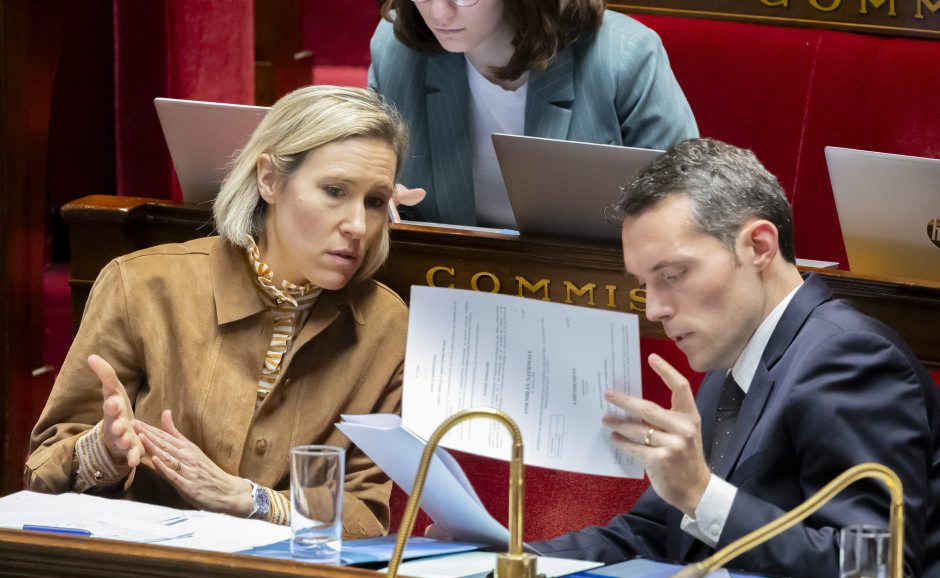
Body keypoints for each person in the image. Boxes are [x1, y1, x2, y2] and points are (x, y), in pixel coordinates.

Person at [531, 138, 940, 578]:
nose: (654, 308)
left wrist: (701, 493)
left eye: (673, 275)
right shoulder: (734, 360)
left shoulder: (850, 358)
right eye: (644, 285)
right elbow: (652, 534)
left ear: (759, 246)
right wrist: (509, 560)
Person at [25, 86, 410, 537]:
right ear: (269, 179)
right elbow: (41, 475)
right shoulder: (142, 285)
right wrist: (104, 450)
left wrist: (251, 500)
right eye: (334, 191)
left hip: (284, 576)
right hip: (145, 565)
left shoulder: (386, 324)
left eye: (375, 201)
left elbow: (366, 517)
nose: (358, 226)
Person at [369, 0, 697, 227]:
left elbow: (685, 201)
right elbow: (364, 174)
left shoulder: (625, 55)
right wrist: (373, 196)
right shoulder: (396, 48)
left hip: (587, 283)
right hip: (441, 276)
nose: (439, 12)